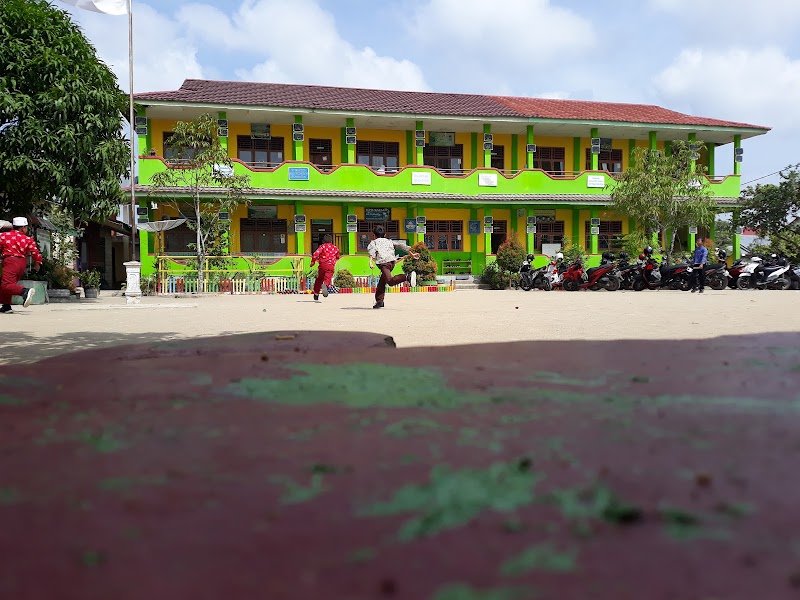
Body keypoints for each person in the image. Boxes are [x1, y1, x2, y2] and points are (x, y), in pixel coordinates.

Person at [367, 225, 419, 309]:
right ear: (385, 235)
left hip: (384, 264)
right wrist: (412, 254)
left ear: (374, 235)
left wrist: (370, 262)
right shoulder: (389, 241)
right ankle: (379, 301)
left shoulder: (374, 242)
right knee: (382, 283)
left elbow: (371, 252)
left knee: (390, 281)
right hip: (392, 263)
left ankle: (407, 276)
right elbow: (401, 246)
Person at [1, 217, 43, 313]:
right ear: (23, 228)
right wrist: (37, 263)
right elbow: (35, 252)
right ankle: (6, 306)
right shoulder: (28, 239)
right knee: (10, 284)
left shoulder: (3, 236)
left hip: (10, 261)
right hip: (21, 263)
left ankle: (24, 292)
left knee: (6, 285)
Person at [310, 234, 340, 301]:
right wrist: (333, 261)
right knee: (328, 278)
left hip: (322, 265)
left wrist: (313, 262)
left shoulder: (322, 247)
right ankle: (325, 285)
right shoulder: (335, 248)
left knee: (319, 279)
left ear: (323, 241)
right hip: (331, 265)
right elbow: (338, 257)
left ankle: (316, 294)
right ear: (331, 241)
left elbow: (315, 254)